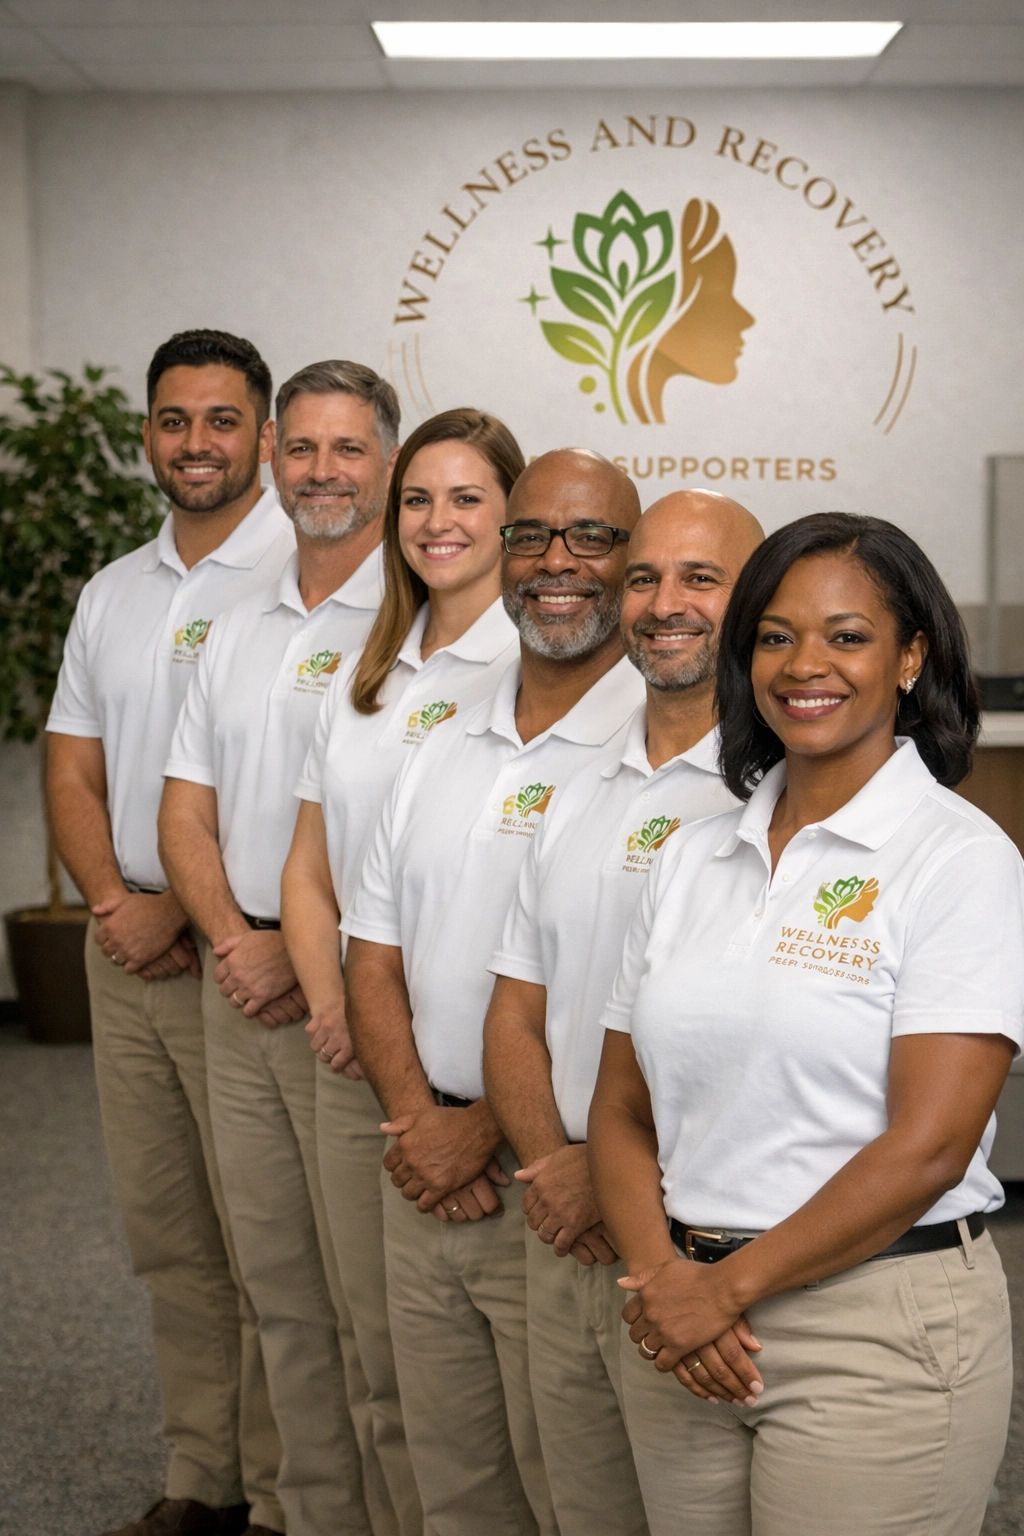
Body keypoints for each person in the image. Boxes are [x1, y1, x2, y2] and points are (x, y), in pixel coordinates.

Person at [589, 511, 1024, 1536]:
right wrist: (665, 1282)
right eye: (775, 636)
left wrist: (721, 1290)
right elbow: (618, 1109)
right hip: (683, 1319)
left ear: (912, 656)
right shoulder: (693, 857)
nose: (803, 666)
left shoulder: (958, 862)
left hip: (874, 1327)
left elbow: (928, 1146)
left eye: (847, 636)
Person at [342, 449, 646, 1535]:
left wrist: (490, 1131)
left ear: (635, 562)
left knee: (573, 1493)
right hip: (422, 1161)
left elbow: (639, 992)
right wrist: (424, 1120)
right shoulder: (440, 720)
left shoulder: (661, 747)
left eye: (591, 538)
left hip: (561, 1188)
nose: (554, 563)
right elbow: (371, 945)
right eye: (530, 536)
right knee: (452, 1480)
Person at [47, 330, 293, 1536]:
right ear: (146, 432)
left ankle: (290, 1492)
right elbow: (71, 765)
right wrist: (110, 903)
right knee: (171, 1237)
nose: (195, 443)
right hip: (129, 951)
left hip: (243, 960)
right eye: (173, 419)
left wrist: (198, 916)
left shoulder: (309, 575)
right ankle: (205, 1478)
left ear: (261, 432)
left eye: (221, 419)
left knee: (270, 1247)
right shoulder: (113, 592)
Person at [483, 489, 763, 1535]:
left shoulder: (771, 790)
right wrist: (556, 1165)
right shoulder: (575, 780)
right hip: (562, 1225)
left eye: (701, 577)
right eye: (644, 575)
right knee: (576, 1506)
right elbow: (515, 1004)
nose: (662, 602)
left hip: (693, 1245)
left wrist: (617, 1189)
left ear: (753, 600)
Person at [157, 361, 398, 1536]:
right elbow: (183, 806)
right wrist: (228, 940)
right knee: (281, 1290)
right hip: (237, 986)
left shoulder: (422, 618)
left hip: (354, 1006)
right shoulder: (232, 615)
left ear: (387, 464)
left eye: (347, 450)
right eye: (300, 450)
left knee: (375, 1302)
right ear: (271, 461)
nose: (321, 472)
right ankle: (300, 1515)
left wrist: (300, 967)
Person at [280, 407, 523, 1535]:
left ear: (514, 518)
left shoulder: (534, 667)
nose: (437, 522)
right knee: (378, 1353)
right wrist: (335, 1010)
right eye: (418, 499)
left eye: (467, 499)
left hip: (495, 1085)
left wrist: (449, 1111)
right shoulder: (367, 670)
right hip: (367, 1054)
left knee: (503, 1402)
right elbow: (312, 862)